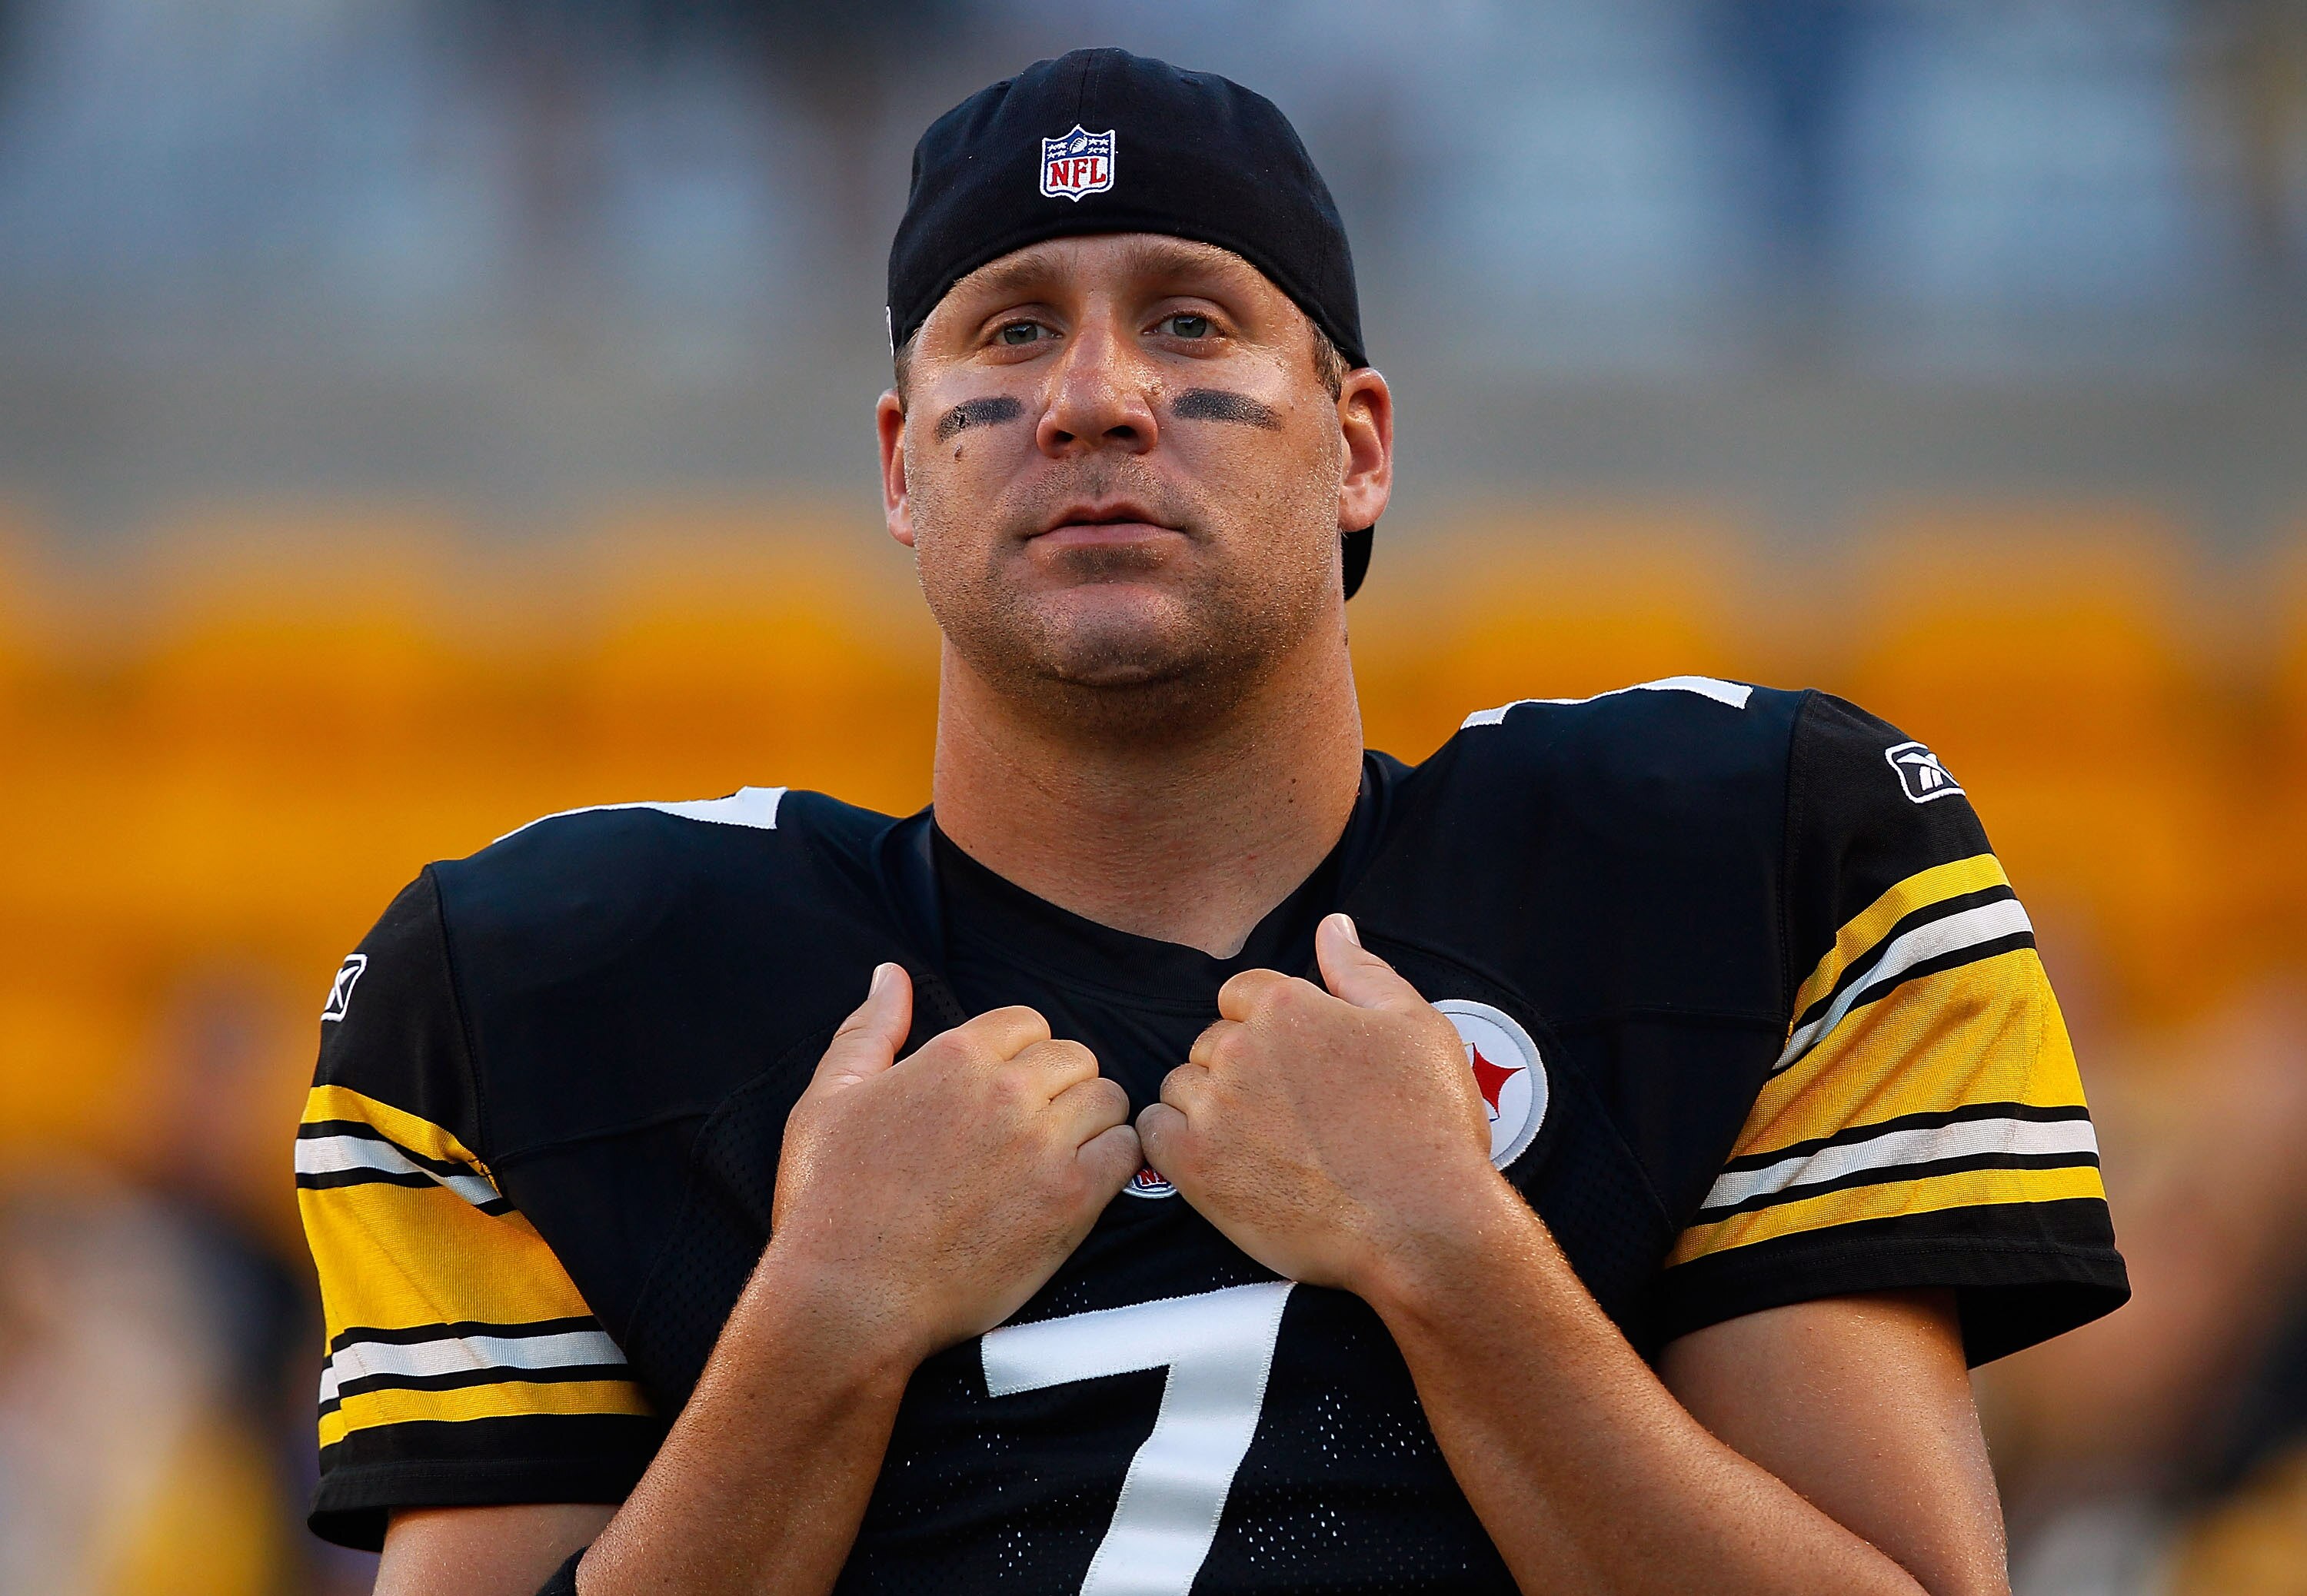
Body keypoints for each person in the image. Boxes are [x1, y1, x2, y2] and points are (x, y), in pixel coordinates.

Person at [295, 48, 2128, 1596]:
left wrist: (1450, 1250)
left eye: (1189, 319)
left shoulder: (1743, 859)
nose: (1096, 400)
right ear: (902, 468)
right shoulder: (554, 985)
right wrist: (823, 1321)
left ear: (1359, 447)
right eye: (1013, 330)